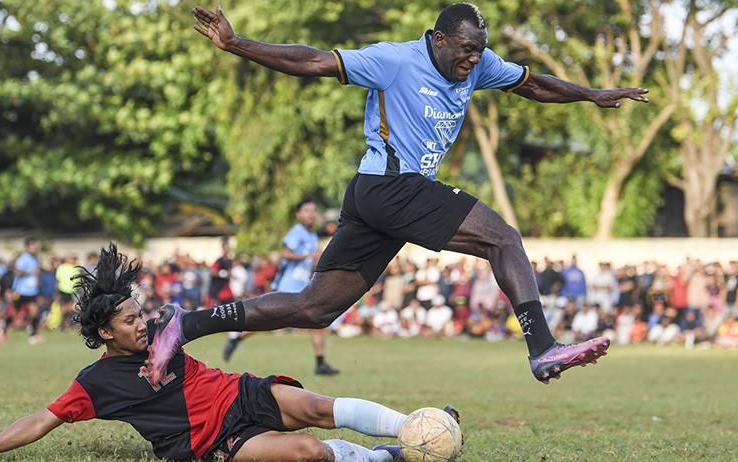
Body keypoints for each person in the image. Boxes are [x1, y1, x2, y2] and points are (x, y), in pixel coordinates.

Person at [149, 2, 651, 386]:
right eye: (464, 50)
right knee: (504, 238)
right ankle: (541, 346)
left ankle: (184, 325)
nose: (472, 60)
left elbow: (533, 84)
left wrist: (591, 94)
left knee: (315, 308)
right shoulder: (393, 60)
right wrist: (238, 44)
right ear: (437, 39)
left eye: (479, 50)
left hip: (378, 198)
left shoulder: (478, 64)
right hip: (391, 185)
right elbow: (313, 62)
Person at [0, 243, 460, 462]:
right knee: (308, 454)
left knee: (319, 409)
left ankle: (418, 425)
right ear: (104, 334)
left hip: (242, 394)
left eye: (140, 312)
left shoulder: (166, 330)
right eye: (129, 320)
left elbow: (225, 315)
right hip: (212, 444)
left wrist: (293, 308)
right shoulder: (94, 385)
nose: (142, 323)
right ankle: (388, 455)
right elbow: (38, 421)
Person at [223, 198, 340, 375]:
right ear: (298, 214)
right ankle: (236, 337)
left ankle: (320, 363)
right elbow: (285, 254)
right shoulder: (297, 232)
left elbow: (308, 263)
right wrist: (310, 255)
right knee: (270, 320)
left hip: (302, 287)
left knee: (317, 321)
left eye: (314, 210)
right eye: (306, 210)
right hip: (288, 286)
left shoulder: (313, 235)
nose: (311, 214)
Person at [0, 237, 44, 345]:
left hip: (31, 291)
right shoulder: (23, 258)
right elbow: (18, 272)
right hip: (20, 291)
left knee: (34, 311)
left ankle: (33, 335)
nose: (35, 248)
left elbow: (36, 274)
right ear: (27, 247)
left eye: (35, 246)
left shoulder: (35, 259)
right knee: (14, 313)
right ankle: (2, 329)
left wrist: (38, 278)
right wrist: (31, 272)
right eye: (33, 246)